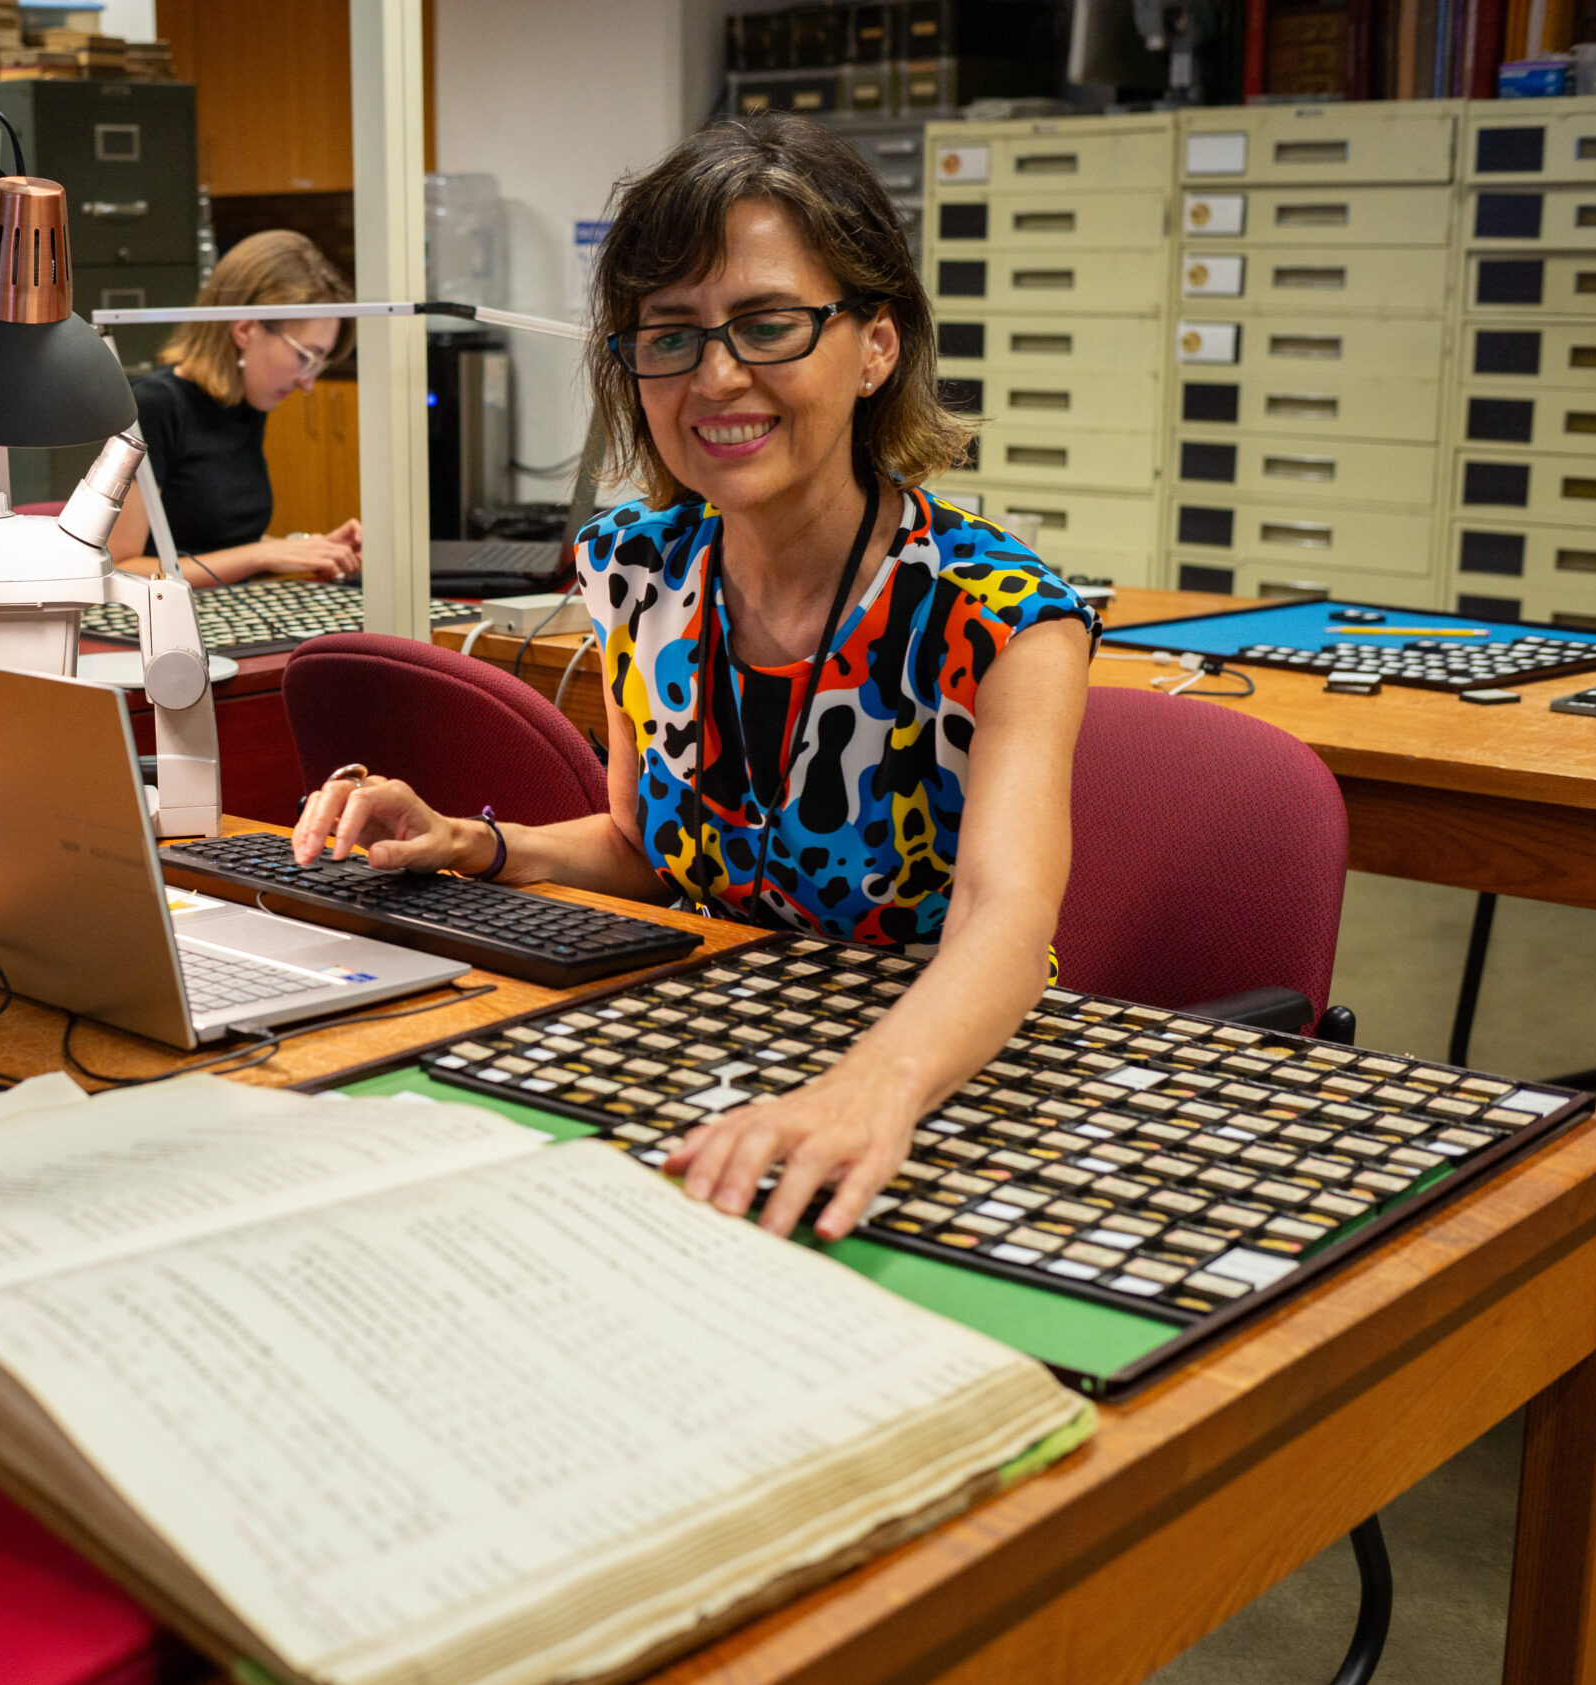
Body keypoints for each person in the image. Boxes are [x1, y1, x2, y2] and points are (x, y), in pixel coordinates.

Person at [292, 115, 1097, 1244]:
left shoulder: (1000, 619)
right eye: (669, 334)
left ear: (876, 346)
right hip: (714, 1049)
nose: (716, 377)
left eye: (768, 325)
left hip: (931, 1088)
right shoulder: (638, 570)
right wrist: (475, 845)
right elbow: (638, 846)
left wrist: (867, 1091)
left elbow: (1003, 925)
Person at [106, 230, 363, 589]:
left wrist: (309, 550)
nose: (308, 383)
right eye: (305, 357)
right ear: (245, 330)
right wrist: (264, 555)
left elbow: (215, 546)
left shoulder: (246, 401)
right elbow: (122, 566)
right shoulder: (156, 406)